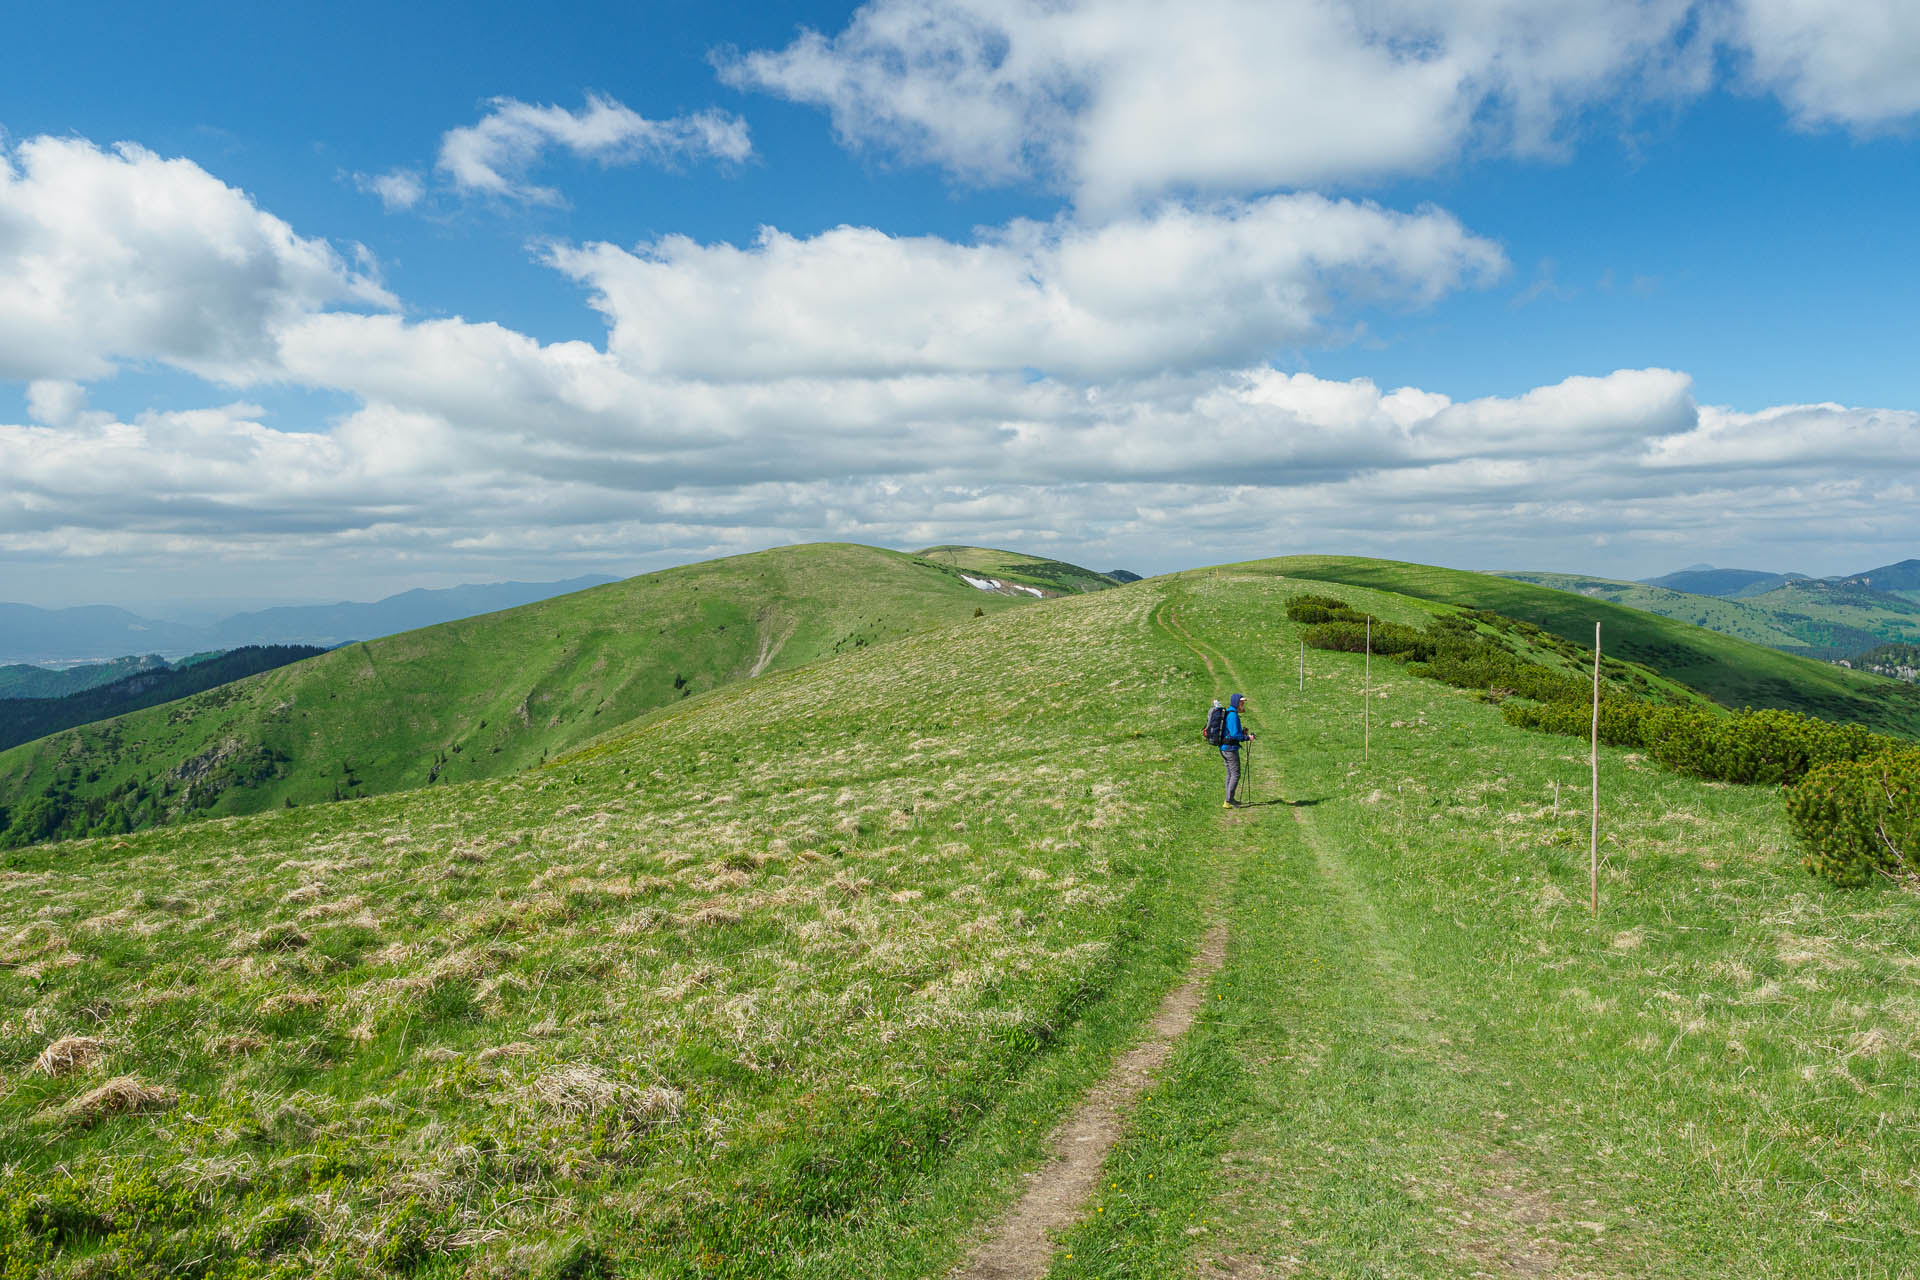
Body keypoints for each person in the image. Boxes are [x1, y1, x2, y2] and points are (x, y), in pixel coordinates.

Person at [1221, 692, 1253, 807]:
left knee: (1230, 774)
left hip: (1225, 747)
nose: (1243, 704)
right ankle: (1229, 800)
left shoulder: (1230, 712)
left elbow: (1232, 732)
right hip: (1230, 749)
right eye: (1241, 702)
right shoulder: (1233, 715)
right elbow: (1235, 734)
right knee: (1236, 774)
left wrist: (1242, 733)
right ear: (1236, 703)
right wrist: (1246, 737)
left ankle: (1228, 800)